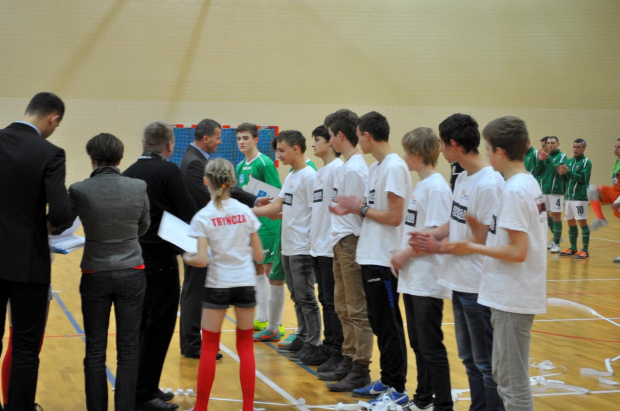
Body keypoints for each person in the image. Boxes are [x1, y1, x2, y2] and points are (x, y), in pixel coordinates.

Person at [441, 116, 547, 410]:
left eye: (488, 149)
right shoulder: (523, 184)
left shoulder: (514, 189)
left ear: (500, 151)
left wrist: (471, 246)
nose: (485, 154)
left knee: (511, 384)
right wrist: (480, 233)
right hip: (507, 294)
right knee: (504, 375)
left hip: (512, 296)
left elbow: (517, 252)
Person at [409, 113, 505, 411]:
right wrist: (429, 236)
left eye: (441, 142)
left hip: (479, 286)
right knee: (469, 359)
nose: (438, 148)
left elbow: (484, 241)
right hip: (459, 282)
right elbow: (454, 223)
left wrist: (437, 248)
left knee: (486, 364)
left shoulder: (490, 184)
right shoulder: (462, 177)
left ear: (453, 144)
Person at [332, 112, 412, 406]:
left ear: (366, 135)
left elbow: (394, 216)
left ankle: (398, 387)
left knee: (389, 325)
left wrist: (360, 209)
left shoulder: (393, 167)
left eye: (359, 135)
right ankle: (387, 379)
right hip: (370, 254)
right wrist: (356, 207)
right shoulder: (378, 167)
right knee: (379, 323)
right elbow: (373, 207)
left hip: (385, 257)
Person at [0, 92, 72, 410]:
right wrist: (48, 225)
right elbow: (60, 211)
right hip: (28, 263)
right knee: (26, 348)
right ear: (53, 119)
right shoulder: (50, 153)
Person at [69, 133, 150, 411]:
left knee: (94, 349)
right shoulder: (138, 186)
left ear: (92, 159)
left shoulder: (79, 189)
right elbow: (143, 227)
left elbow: (62, 223)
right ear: (120, 158)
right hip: (131, 270)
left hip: (94, 271)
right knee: (128, 349)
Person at [123, 121, 196, 411]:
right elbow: (189, 213)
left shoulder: (129, 173)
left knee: (140, 327)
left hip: (134, 259)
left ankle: (141, 387)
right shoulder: (168, 171)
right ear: (170, 145)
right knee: (159, 328)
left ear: (143, 142)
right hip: (161, 262)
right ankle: (144, 394)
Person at [183, 158, 263, 411]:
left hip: (218, 284)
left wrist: (187, 257)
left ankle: (201, 407)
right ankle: (248, 407)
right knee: (245, 346)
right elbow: (260, 257)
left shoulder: (203, 216)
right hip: (245, 282)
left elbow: (202, 259)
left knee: (208, 346)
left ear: (206, 181)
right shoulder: (245, 211)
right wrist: (245, 250)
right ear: (232, 182)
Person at [179, 119, 256, 360]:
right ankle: (192, 343)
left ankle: (195, 341)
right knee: (193, 292)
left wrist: (253, 200)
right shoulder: (194, 163)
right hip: (199, 236)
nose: (221, 141)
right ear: (205, 139)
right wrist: (251, 208)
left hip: (205, 235)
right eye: (218, 137)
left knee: (197, 290)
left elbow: (224, 190)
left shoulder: (197, 160)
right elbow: (216, 197)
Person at [390, 127, 453, 411]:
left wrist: (404, 253)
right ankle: (423, 399)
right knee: (418, 343)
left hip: (428, 278)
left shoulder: (437, 187)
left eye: (406, 152)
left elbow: (435, 235)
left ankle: (443, 404)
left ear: (417, 154)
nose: (403, 157)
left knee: (431, 346)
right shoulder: (423, 184)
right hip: (413, 278)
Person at [253, 130, 324, 362]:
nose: (278, 155)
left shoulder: (309, 176)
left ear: (296, 149)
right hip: (289, 245)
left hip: (303, 247)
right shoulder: (292, 176)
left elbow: (316, 213)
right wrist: (278, 212)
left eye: (282, 150)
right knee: (296, 295)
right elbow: (278, 206)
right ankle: (302, 337)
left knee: (306, 297)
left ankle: (313, 342)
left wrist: (245, 211)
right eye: (276, 150)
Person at [319, 109, 373, 390]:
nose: (330, 142)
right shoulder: (346, 167)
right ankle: (348, 358)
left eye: (330, 136)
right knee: (342, 306)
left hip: (352, 240)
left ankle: (360, 365)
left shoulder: (355, 168)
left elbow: (363, 210)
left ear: (340, 136)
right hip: (340, 240)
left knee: (356, 307)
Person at [234, 123, 286, 342]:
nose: (242, 142)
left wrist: (271, 220)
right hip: (251, 224)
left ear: (256, 140)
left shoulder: (264, 163)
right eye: (238, 138)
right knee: (256, 268)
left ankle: (277, 323)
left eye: (246, 138)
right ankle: (263, 317)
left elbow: (277, 194)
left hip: (268, 224)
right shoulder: (238, 166)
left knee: (269, 270)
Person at [305, 125, 344, 367]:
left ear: (330, 142)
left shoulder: (337, 170)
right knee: (324, 299)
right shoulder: (321, 172)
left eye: (317, 140)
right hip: (317, 246)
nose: (313, 145)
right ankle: (327, 344)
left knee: (332, 302)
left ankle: (335, 348)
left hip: (330, 247)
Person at [557, 139, 592, 259]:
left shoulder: (586, 162)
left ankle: (585, 250)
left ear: (583, 149)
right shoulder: (569, 161)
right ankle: (572, 248)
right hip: (569, 197)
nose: (575, 149)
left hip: (580, 197)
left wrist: (569, 172)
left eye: (578, 147)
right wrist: (562, 175)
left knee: (582, 222)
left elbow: (582, 178)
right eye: (574, 147)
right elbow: (567, 179)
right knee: (570, 221)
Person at [588, 138, 620, 262]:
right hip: (615, 192)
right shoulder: (617, 161)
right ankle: (600, 219)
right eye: (615, 146)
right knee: (592, 189)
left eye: (619, 147)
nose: (615, 149)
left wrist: (618, 201)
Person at [534, 136, 567, 253]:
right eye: (548, 143)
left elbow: (559, 171)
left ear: (558, 144)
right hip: (545, 191)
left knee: (556, 216)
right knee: (544, 215)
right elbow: (538, 172)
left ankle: (557, 244)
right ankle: (555, 238)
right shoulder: (546, 156)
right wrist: (539, 160)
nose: (550, 145)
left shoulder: (562, 156)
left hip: (556, 191)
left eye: (553, 143)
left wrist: (547, 159)